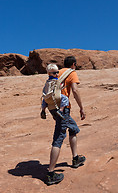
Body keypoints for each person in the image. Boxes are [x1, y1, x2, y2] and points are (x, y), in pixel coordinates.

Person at [41, 56, 86, 185]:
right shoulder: (72, 73)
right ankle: (50, 174)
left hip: (53, 108)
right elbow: (75, 91)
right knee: (59, 137)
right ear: (73, 64)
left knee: (73, 128)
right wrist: (82, 108)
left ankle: (75, 158)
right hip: (63, 109)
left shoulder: (57, 72)